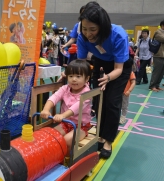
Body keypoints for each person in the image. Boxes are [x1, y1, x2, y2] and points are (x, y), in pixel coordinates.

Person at [76, 2, 131, 159]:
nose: (88, 33)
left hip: (119, 66)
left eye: (93, 29)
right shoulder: (82, 37)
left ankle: (108, 140)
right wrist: (72, 73)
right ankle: (100, 135)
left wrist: (108, 78)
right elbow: (82, 62)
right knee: (99, 101)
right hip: (100, 63)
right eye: (85, 29)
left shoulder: (118, 35)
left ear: (103, 26)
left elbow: (119, 69)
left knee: (112, 102)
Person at [40, 59, 92, 159]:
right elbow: (54, 97)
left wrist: (63, 115)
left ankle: (66, 160)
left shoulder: (87, 93)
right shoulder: (65, 88)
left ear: (86, 79)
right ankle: (55, 157)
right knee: (52, 136)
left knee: (67, 140)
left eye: (78, 76)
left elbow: (76, 107)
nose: (74, 79)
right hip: (65, 123)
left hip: (81, 126)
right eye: (71, 76)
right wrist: (46, 109)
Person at [149, 20, 164, 92]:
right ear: (162, 25)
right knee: (157, 71)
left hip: (163, 55)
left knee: (161, 72)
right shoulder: (158, 32)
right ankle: (152, 86)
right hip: (158, 55)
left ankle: (157, 85)